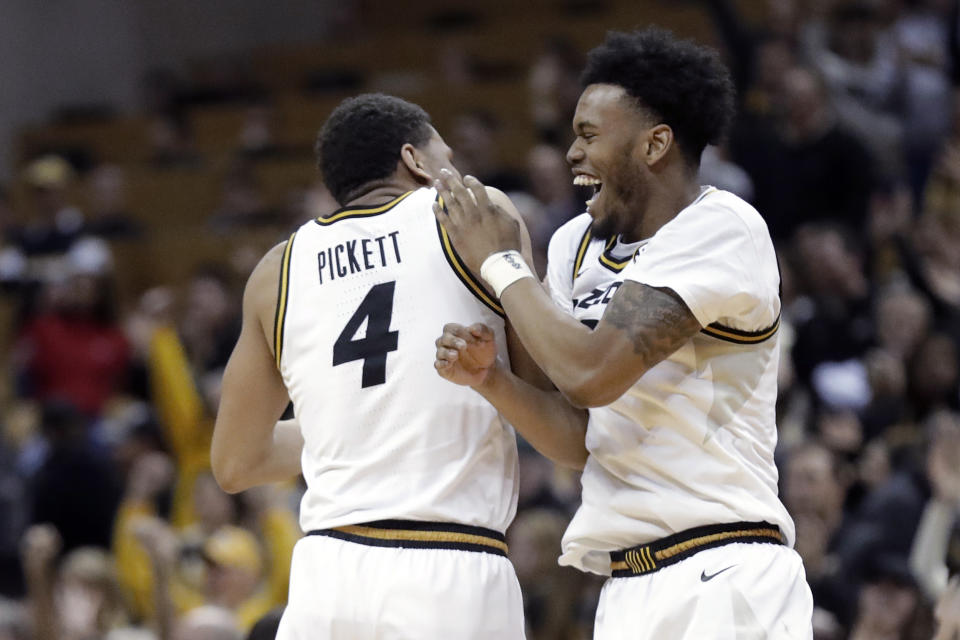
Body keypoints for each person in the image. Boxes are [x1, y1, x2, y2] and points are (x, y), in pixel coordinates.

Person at [434, 28, 814, 638]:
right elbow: (578, 438)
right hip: (626, 585)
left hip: (723, 570)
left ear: (655, 143)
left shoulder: (721, 226)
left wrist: (501, 264)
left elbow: (591, 373)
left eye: (588, 135)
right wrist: (493, 381)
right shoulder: (572, 246)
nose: (571, 155)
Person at [210, 93, 531, 639]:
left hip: (325, 574)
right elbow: (540, 387)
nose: (455, 169)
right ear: (417, 161)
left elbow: (236, 462)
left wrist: (359, 426)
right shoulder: (473, 211)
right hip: (448, 560)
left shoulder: (276, 269)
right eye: (445, 156)